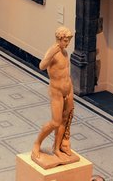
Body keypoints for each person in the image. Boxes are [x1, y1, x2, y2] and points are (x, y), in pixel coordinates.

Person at [31, 26, 78, 167]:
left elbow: (65, 73)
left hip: (68, 90)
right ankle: (37, 143)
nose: (67, 43)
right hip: (56, 92)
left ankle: (56, 148)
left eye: (69, 40)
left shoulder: (64, 52)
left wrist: (70, 91)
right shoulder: (53, 51)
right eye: (65, 40)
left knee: (65, 120)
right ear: (58, 39)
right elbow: (42, 66)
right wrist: (51, 53)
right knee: (55, 122)